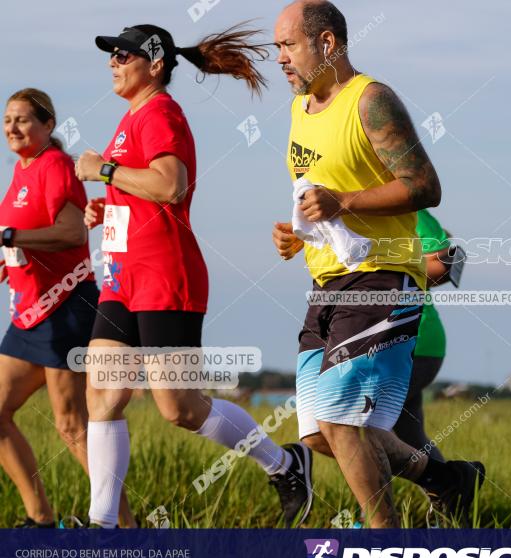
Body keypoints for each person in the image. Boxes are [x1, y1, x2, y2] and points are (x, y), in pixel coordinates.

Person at [74, 23, 311, 528]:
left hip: (165, 275)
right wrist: (106, 208)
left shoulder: (161, 112)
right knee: (102, 395)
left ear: (154, 64)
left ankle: (286, 465)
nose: (112, 62)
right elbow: (143, 193)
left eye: (123, 54)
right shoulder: (130, 117)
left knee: (179, 408)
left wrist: (107, 172)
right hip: (122, 278)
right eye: (110, 55)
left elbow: (170, 186)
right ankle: (103, 527)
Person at [271, 0, 484, 528]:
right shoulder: (300, 109)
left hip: (383, 278)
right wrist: (301, 234)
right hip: (327, 281)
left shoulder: (371, 100)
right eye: (276, 48)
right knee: (320, 433)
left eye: (288, 45)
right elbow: (319, 195)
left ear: (326, 44)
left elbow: (425, 186)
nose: (279, 59)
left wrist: (343, 201)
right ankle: (445, 479)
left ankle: (385, 543)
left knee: (342, 424)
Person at [0, 89, 134, 528]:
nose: (13, 128)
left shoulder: (55, 165)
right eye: (7, 121)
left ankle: (123, 527)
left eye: (23, 120)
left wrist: (10, 240)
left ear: (48, 125)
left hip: (65, 307)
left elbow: (73, 233)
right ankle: (40, 520)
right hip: (29, 313)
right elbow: (23, 238)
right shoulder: (22, 172)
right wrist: (9, 259)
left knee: (72, 425)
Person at [393, 210, 457, 462]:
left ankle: (374, 501)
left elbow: (445, 262)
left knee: (368, 426)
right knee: (410, 434)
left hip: (416, 344)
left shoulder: (414, 213)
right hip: (383, 343)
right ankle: (451, 492)